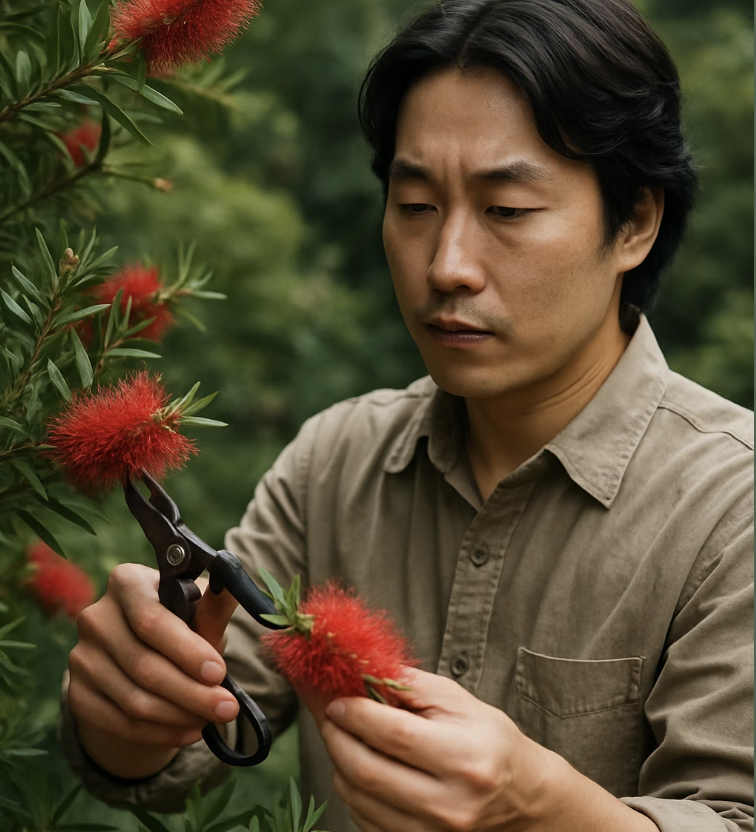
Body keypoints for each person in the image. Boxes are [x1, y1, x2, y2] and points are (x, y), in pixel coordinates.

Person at [60, 0, 754, 830]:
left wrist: (541, 808)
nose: (448, 265)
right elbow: (179, 752)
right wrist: (126, 712)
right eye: (416, 204)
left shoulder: (731, 508)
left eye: (507, 211)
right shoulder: (334, 464)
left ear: (634, 221)